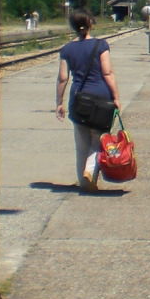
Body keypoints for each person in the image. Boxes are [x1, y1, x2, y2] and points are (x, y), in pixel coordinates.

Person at [54, 10, 122, 192]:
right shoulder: (101, 45)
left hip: (79, 99)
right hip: (101, 98)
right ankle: (90, 171)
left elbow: (62, 78)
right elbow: (107, 72)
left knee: (81, 143)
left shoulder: (67, 49)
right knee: (99, 140)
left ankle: (84, 183)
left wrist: (59, 102)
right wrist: (116, 96)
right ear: (90, 23)